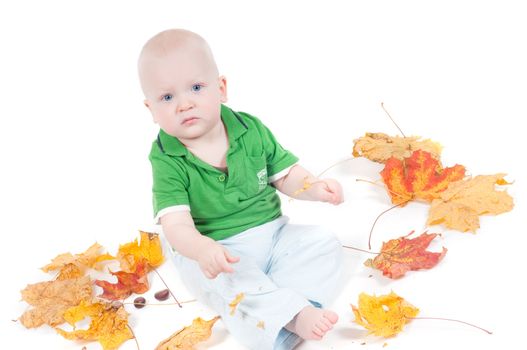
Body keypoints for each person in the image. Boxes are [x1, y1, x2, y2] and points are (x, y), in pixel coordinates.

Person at [138, 28, 344, 350]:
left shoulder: (249, 129)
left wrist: (315, 188)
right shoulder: (167, 157)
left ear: (221, 88)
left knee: (323, 243)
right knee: (230, 279)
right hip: (216, 250)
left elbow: (284, 175)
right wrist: (203, 249)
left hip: (273, 234)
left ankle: (279, 309)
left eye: (195, 87)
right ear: (151, 109)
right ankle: (285, 319)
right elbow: (175, 225)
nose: (184, 104)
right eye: (167, 97)